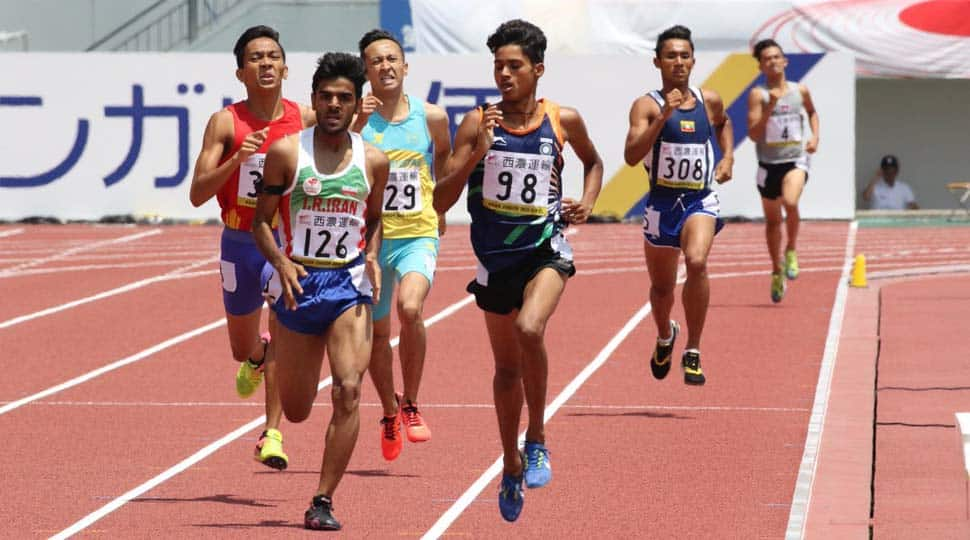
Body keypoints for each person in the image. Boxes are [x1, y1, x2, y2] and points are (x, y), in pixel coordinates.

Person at [434, 19, 603, 523]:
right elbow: (440, 200)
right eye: (498, 66)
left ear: (538, 69)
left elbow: (594, 163)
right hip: (493, 259)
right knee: (506, 370)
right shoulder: (477, 123)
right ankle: (509, 460)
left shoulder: (563, 120)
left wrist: (588, 202)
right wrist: (475, 156)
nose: (504, 75)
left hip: (545, 248)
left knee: (531, 326)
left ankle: (538, 440)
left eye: (514, 66)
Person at [253, 51, 388, 531]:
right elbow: (260, 223)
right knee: (296, 408)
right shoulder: (288, 153)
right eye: (326, 96)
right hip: (298, 284)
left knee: (349, 390)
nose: (334, 104)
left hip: (347, 283)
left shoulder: (374, 159)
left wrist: (371, 255)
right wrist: (281, 261)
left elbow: (373, 220)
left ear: (356, 105)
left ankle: (323, 500)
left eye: (344, 97)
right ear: (314, 99)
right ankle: (267, 363)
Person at [189, 25, 315, 470]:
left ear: (285, 67)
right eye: (256, 58)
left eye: (273, 56)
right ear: (241, 72)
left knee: (284, 325)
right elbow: (197, 194)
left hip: (283, 242)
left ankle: (272, 434)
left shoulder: (306, 118)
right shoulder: (226, 122)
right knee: (243, 348)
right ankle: (256, 358)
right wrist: (238, 160)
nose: (265, 63)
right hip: (239, 241)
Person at [352, 29, 452, 461]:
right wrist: (357, 122)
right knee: (378, 333)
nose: (386, 66)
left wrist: (441, 206)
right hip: (370, 239)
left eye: (392, 59)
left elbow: (443, 158)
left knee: (411, 309)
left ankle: (410, 402)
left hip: (416, 232)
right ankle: (389, 410)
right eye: (376, 61)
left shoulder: (431, 117)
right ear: (366, 71)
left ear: (405, 67)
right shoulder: (357, 119)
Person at [623, 25, 734, 387]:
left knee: (698, 261)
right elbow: (631, 155)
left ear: (693, 60)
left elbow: (723, 123)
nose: (679, 62)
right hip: (661, 203)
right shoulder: (646, 105)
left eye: (684, 56)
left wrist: (727, 156)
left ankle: (694, 349)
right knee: (661, 289)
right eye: (671, 56)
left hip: (699, 199)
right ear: (658, 61)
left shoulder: (709, 99)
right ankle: (665, 334)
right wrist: (661, 118)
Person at [746, 38, 820, 303]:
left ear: (785, 61)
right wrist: (769, 108)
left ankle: (791, 249)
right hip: (768, 164)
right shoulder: (758, 94)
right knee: (773, 222)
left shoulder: (800, 90)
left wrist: (815, 137)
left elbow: (812, 112)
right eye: (767, 59)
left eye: (777, 57)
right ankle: (776, 270)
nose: (773, 61)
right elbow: (754, 135)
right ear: (761, 66)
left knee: (791, 201)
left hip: (795, 159)